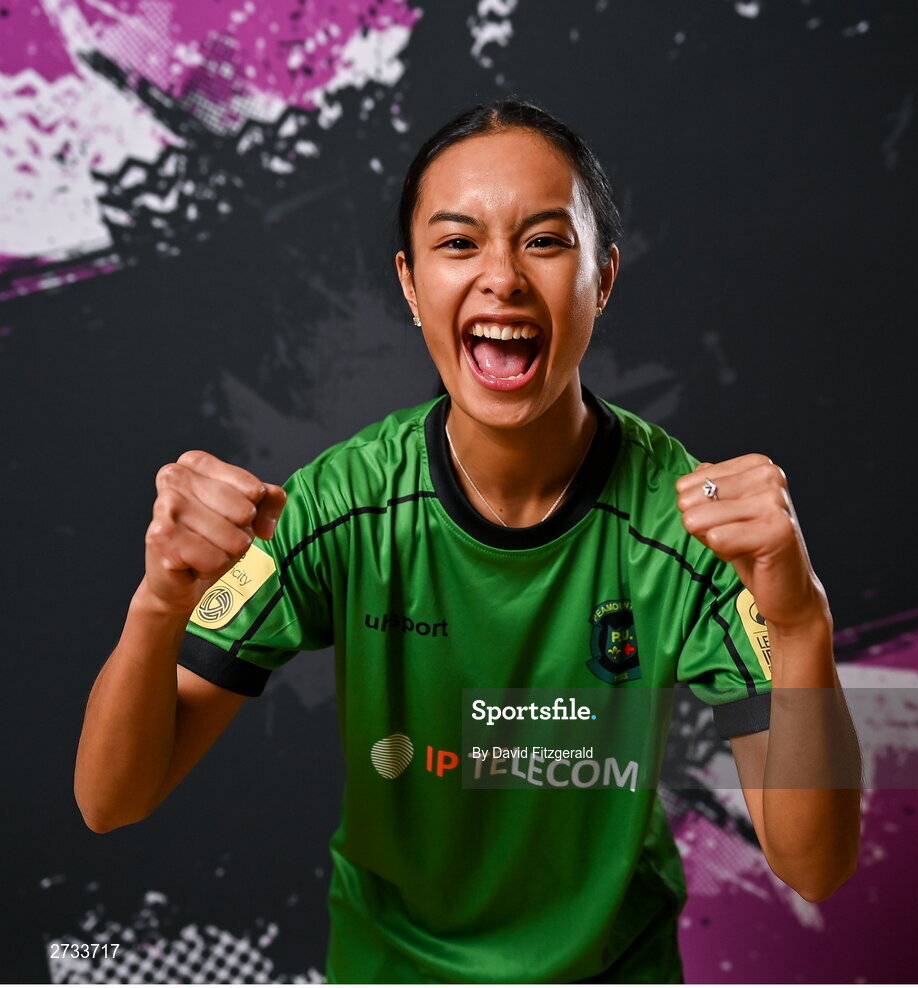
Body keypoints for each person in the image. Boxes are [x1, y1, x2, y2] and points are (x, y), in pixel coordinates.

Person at [75, 99, 861, 983]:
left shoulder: (689, 530)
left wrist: (800, 624)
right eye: (459, 244)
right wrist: (158, 603)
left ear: (603, 278)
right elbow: (112, 799)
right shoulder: (343, 507)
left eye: (544, 240)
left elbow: (811, 863)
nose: (501, 279)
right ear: (410, 286)